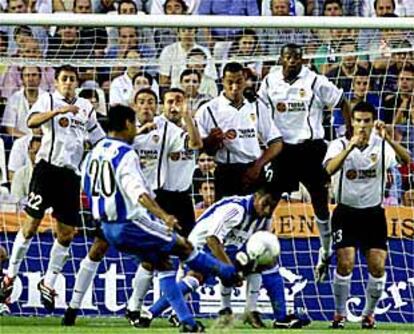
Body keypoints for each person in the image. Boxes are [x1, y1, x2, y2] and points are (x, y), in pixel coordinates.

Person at [80, 104, 243, 332]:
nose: (137, 129)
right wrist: (163, 215)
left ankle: (187, 323)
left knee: (163, 263)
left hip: (106, 227)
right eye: (134, 124)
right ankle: (230, 273)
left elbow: (86, 188)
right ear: (127, 124)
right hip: (130, 223)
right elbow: (139, 193)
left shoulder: (95, 152)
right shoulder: (125, 153)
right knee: (184, 247)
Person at [0, 65, 105, 311]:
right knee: (31, 225)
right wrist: (58, 111)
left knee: (67, 233)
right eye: (64, 79)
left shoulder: (86, 107)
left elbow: (98, 138)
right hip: (46, 170)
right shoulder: (47, 99)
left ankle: (48, 282)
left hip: (71, 176)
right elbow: (31, 121)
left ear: (77, 83)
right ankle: (10, 275)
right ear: (56, 82)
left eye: (72, 79)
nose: (68, 83)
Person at [258, 43, 352, 282]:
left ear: (302, 60)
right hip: (282, 149)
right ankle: (257, 245)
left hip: (311, 148)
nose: (292, 61)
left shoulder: (315, 81)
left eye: (297, 58)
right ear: (281, 59)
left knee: (320, 203)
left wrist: (350, 132)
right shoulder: (270, 81)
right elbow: (259, 109)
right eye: (288, 57)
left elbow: (343, 101)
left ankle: (326, 248)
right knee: (268, 201)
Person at [324, 101, 410, 329]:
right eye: (358, 121)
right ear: (351, 122)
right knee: (346, 263)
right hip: (345, 212)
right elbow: (329, 170)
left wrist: (389, 138)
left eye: (367, 121)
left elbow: (407, 160)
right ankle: (340, 314)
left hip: (373, 214)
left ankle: (369, 315)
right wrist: (350, 148)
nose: (362, 126)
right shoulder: (339, 144)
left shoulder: (381, 145)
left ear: (373, 123)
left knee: (378, 266)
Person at [195, 61, 283, 200]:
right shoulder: (208, 110)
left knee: (258, 218)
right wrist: (212, 141)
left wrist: (258, 166)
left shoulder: (257, 106)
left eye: (239, 81)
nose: (234, 87)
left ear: (245, 81)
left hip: (253, 169)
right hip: (226, 171)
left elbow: (276, 142)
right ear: (222, 81)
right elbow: (201, 148)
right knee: (227, 218)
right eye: (230, 82)